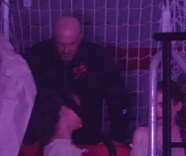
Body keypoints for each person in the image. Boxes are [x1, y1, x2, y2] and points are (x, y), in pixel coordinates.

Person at [24, 16, 133, 145]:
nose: (65, 50)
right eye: (60, 43)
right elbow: (25, 97)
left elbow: (118, 99)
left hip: (88, 137)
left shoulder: (96, 57)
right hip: (43, 138)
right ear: (53, 37)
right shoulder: (39, 55)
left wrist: (116, 137)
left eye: (71, 44)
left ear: (80, 37)